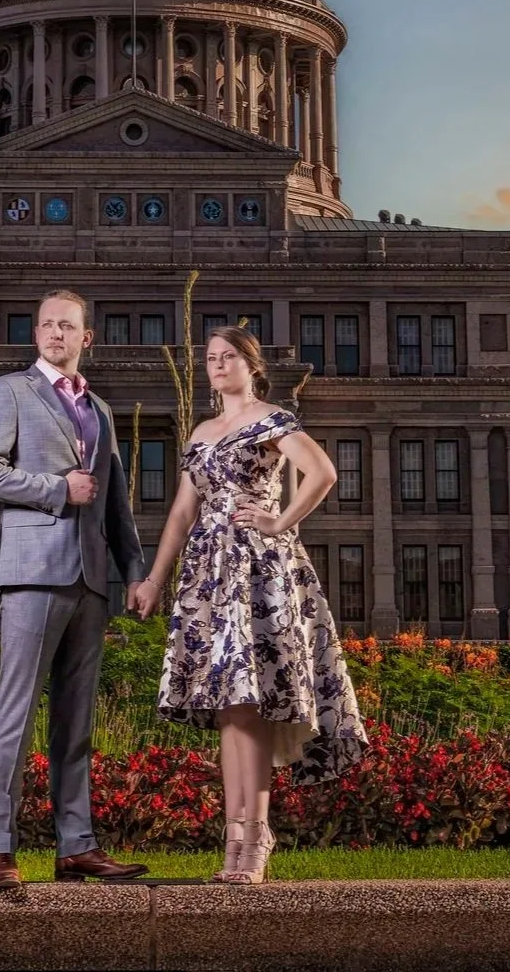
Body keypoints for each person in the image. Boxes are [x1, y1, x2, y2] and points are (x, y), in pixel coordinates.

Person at [134, 326, 369, 883]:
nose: (217, 364)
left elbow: (323, 473)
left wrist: (280, 520)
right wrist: (153, 579)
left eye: (229, 356)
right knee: (229, 708)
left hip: (258, 567)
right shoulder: (202, 431)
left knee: (254, 700)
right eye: (211, 357)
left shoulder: (272, 419)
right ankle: (237, 838)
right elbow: (180, 513)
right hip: (208, 573)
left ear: (251, 365)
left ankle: (256, 837)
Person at [0, 289, 149, 891]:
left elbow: (117, 502)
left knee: (76, 725)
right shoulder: (10, 391)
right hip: (33, 573)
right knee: (14, 715)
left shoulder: (98, 408)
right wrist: (54, 488)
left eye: (66, 326)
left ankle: (77, 847)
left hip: (91, 580)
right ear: (36, 333)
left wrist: (136, 574)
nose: (54, 333)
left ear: (84, 337)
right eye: (45, 324)